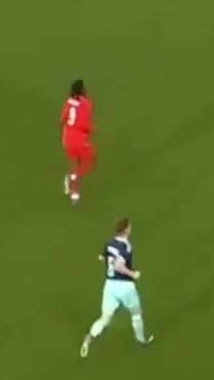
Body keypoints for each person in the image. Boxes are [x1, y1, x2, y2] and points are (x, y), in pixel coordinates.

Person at [80, 217, 153, 358]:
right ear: (126, 230)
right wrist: (133, 274)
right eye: (129, 226)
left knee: (105, 317)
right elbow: (119, 266)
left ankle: (90, 336)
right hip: (125, 286)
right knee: (136, 313)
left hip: (110, 285)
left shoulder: (109, 242)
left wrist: (106, 260)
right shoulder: (126, 246)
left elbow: (102, 257)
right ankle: (141, 339)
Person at [62, 80, 95, 205]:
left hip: (67, 139)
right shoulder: (87, 103)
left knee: (76, 163)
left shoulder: (69, 102)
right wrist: (91, 128)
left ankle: (74, 195)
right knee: (90, 160)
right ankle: (72, 178)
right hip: (80, 140)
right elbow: (84, 123)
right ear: (82, 90)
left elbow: (62, 119)